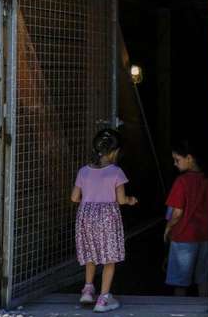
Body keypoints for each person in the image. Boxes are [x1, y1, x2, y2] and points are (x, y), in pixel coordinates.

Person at [71, 129, 137, 312]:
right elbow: (121, 200)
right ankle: (103, 299)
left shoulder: (83, 171)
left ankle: (87, 289)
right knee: (109, 258)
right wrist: (131, 200)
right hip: (107, 217)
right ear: (115, 152)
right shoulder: (116, 172)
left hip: (86, 216)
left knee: (91, 254)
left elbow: (74, 197)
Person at [165, 139, 208, 297]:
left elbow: (176, 213)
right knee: (204, 279)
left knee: (179, 281)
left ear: (189, 158)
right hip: (206, 235)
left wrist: (168, 228)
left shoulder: (182, 182)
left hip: (183, 236)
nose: (174, 164)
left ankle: (178, 311)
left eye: (177, 160)